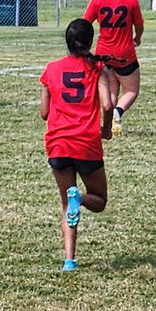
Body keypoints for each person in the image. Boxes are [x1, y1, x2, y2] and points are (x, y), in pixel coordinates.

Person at [39, 18, 113, 272]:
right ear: (90, 41)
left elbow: (44, 113)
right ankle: (80, 197)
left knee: (65, 205)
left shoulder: (51, 69)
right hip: (86, 143)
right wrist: (106, 128)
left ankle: (69, 260)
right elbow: (107, 105)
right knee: (100, 201)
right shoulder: (98, 69)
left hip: (58, 144)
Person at [84, 0, 144, 136]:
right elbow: (139, 25)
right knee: (131, 91)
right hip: (125, 53)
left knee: (110, 92)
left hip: (103, 53)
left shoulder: (97, 0)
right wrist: (137, 38)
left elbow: (85, 24)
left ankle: (109, 126)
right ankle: (118, 112)